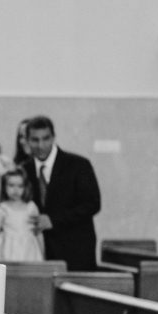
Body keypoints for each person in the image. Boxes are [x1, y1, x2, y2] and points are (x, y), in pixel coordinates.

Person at [20, 115, 100, 271]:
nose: (41, 145)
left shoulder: (78, 165)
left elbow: (92, 204)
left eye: (46, 139)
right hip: (37, 252)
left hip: (75, 251)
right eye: (35, 140)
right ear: (27, 141)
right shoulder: (24, 169)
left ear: (54, 138)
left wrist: (53, 220)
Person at [0, 167, 44, 262]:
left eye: (20, 186)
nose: (15, 190)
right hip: (8, 250)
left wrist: (43, 254)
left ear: (25, 187)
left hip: (29, 250)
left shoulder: (31, 207)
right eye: (11, 185)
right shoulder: (2, 208)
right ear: (4, 186)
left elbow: (38, 232)